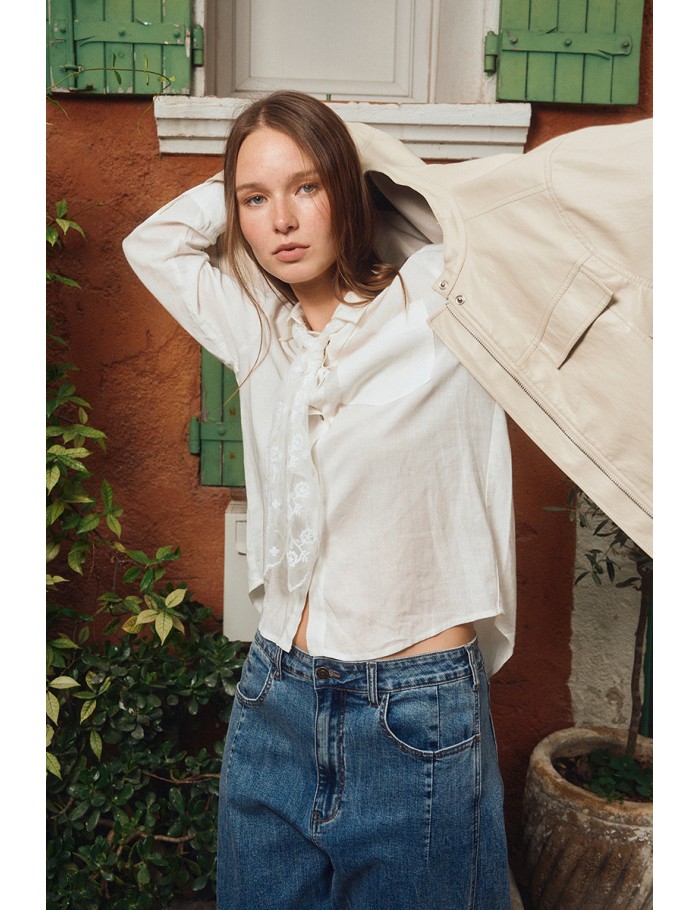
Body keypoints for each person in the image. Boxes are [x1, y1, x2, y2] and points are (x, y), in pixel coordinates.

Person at [121, 90, 519, 910]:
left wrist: (357, 151)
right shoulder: (257, 329)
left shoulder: (444, 300)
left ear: (348, 186)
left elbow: (504, 226)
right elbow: (151, 242)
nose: (281, 221)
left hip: (417, 711)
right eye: (254, 201)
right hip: (277, 694)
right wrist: (250, 166)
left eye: (308, 187)